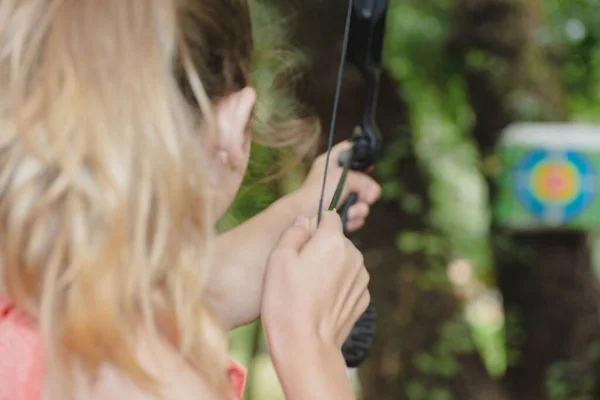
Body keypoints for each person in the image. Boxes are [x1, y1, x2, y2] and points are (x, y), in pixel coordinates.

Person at [0, 0, 381, 399]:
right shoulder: (163, 386)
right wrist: (313, 352)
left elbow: (202, 288)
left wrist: (307, 204)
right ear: (233, 124)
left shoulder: (46, 302)